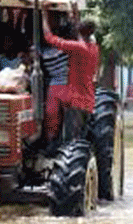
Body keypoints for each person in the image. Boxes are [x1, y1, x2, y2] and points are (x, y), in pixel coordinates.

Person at [41, 9, 99, 142]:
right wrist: (75, 15)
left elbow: (50, 38)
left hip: (76, 101)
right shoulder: (94, 48)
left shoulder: (78, 48)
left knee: (72, 139)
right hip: (88, 100)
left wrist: (43, 16)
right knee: (81, 137)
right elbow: (80, 34)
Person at [39, 13, 71, 151]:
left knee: (69, 113)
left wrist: (44, 14)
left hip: (68, 83)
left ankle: (68, 141)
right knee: (50, 112)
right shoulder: (42, 51)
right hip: (55, 84)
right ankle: (51, 140)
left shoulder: (65, 45)